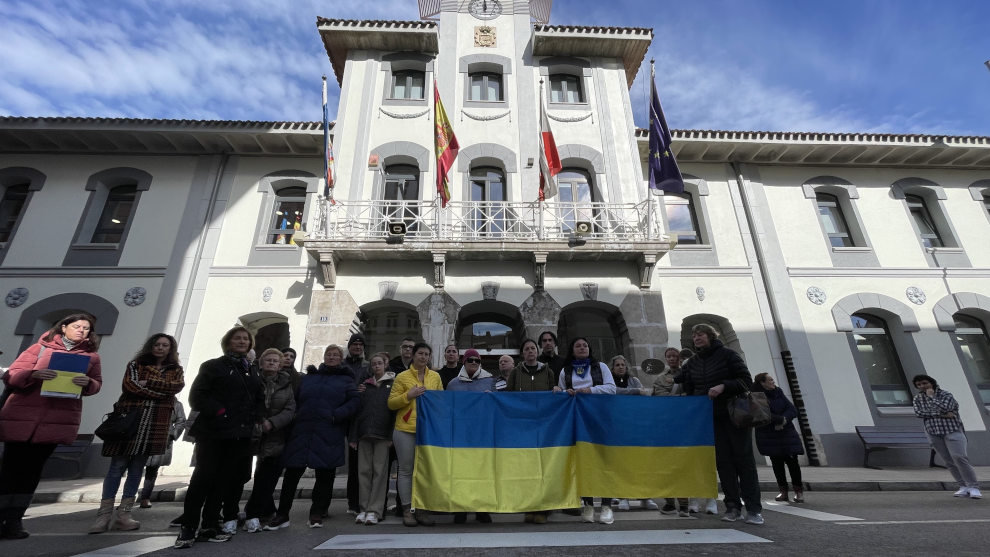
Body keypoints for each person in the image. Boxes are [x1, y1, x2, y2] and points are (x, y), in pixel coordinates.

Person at [0, 313, 103, 540]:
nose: (82, 331)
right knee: (9, 470)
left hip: (56, 420)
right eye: (77, 326)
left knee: (32, 472)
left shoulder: (91, 358)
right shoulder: (39, 349)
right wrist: (33, 374)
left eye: (86, 329)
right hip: (22, 416)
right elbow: (12, 375)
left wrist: (89, 383)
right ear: (64, 327)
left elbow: (97, 384)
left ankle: (14, 520)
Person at [175, 326, 263, 549]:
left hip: (239, 435)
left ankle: (210, 525)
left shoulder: (251, 370)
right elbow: (197, 396)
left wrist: (257, 417)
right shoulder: (214, 366)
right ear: (228, 342)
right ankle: (188, 526)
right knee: (202, 480)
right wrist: (220, 412)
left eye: (246, 339)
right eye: (237, 338)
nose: (242, 342)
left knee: (223, 482)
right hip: (214, 433)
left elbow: (258, 398)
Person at [90, 333, 185, 534]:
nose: (160, 348)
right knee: (117, 466)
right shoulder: (136, 364)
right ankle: (104, 515)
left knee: (137, 468)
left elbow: (176, 387)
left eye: (165, 345)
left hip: (154, 422)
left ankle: (124, 514)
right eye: (157, 344)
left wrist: (147, 383)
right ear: (151, 346)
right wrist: (161, 391)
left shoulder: (176, 369)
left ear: (170, 349)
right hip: (130, 420)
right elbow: (130, 386)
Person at [267, 344, 360, 530]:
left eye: (335, 355)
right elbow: (295, 398)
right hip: (302, 430)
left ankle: (317, 512)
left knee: (325, 475)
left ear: (340, 358)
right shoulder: (309, 378)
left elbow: (355, 401)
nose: (331, 357)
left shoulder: (346, 381)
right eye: (329, 354)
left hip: (329, 430)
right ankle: (282, 514)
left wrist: (337, 414)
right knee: (292, 474)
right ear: (324, 357)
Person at [681, 324, 764, 526]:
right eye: (694, 335)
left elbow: (746, 381)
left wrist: (723, 386)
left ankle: (753, 509)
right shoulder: (693, 362)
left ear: (710, 336)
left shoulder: (728, 355)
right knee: (724, 463)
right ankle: (732, 506)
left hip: (735, 415)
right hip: (711, 417)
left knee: (743, 461)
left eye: (700, 334)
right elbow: (689, 387)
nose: (696, 337)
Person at [553, 337, 616, 525]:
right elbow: (563, 395)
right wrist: (561, 391)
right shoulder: (566, 371)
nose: (582, 348)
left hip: (600, 418)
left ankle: (606, 506)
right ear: (572, 350)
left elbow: (612, 389)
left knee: (603, 461)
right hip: (578, 420)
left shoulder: (601, 367)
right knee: (583, 462)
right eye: (578, 346)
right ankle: (588, 504)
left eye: (585, 345)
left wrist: (591, 390)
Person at [388, 342, 442, 527]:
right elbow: (392, 403)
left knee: (425, 472)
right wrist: (408, 396)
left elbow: (440, 401)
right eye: (420, 353)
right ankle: (407, 509)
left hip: (428, 431)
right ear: (413, 355)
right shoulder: (402, 377)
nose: (423, 357)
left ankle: (421, 509)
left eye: (427, 354)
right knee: (405, 470)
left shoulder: (435, 377)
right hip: (405, 430)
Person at [243, 349, 296, 533]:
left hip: (275, 434)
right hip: (251, 433)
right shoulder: (252, 379)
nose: (272, 363)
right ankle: (257, 510)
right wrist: (258, 421)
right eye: (268, 360)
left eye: (275, 361)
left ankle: (253, 513)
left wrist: (272, 423)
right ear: (261, 362)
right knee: (243, 475)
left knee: (267, 477)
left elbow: (290, 409)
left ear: (280, 365)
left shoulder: (286, 383)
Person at [504, 339, 555, 524]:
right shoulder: (516, 373)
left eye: (533, 348)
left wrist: (557, 390)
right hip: (522, 427)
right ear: (522, 354)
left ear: (537, 351)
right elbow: (508, 396)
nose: (530, 351)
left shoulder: (548, 371)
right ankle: (529, 507)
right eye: (527, 349)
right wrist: (492, 398)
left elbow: (553, 393)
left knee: (543, 468)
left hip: (543, 426)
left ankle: (542, 509)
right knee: (526, 468)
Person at [445, 348, 497, 524]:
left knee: (483, 472)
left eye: (477, 360)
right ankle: (461, 509)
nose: (474, 363)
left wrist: (493, 398)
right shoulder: (453, 384)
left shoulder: (490, 382)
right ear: (463, 362)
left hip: (482, 434)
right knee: (461, 473)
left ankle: (482, 509)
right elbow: (447, 408)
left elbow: (498, 406)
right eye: (470, 360)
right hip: (461, 435)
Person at [912, 374, 981, 499]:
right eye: (919, 385)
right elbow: (919, 413)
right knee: (949, 461)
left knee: (959, 457)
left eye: (924, 383)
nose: (922, 386)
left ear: (931, 383)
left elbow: (948, 407)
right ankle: (963, 486)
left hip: (952, 430)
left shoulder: (945, 395)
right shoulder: (917, 398)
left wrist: (931, 397)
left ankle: (973, 486)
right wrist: (942, 414)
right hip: (933, 432)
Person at [608, 355, 661, 514]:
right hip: (617, 427)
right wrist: (635, 392)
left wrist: (637, 391)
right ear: (612, 368)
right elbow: (613, 392)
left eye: (623, 364)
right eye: (617, 365)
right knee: (622, 464)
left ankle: (645, 496)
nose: (620, 367)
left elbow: (643, 394)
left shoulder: (635, 381)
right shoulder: (609, 382)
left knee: (640, 462)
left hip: (634, 426)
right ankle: (624, 496)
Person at [350, 353, 395, 525]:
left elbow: (394, 413)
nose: (376, 366)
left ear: (385, 365)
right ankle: (363, 508)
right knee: (363, 472)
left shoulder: (392, 384)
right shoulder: (364, 387)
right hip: (364, 434)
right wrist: (354, 436)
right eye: (374, 364)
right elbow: (357, 412)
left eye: (380, 363)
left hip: (383, 435)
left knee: (379, 473)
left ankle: (375, 510)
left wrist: (391, 436)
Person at [752, 373, 805, 503]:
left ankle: (799, 491)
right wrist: (779, 419)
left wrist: (785, 419)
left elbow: (792, 409)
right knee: (777, 464)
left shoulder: (778, 392)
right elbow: (762, 413)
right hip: (769, 435)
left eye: (772, 379)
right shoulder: (757, 396)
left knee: (793, 463)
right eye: (770, 380)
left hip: (786, 433)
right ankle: (783, 491)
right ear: (762, 383)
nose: (773, 382)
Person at [139, 399, 186, 509]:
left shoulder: (175, 403)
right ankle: (127, 499)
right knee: (135, 468)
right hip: (144, 437)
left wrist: (172, 434)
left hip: (162, 438)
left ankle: (145, 497)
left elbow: (181, 421)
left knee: (152, 470)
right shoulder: (148, 399)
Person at [343, 333, 369, 516]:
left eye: (361, 345)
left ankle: (357, 501)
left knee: (358, 463)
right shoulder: (342, 366)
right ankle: (352, 501)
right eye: (355, 344)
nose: (358, 347)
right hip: (342, 416)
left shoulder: (366, 367)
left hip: (358, 418)